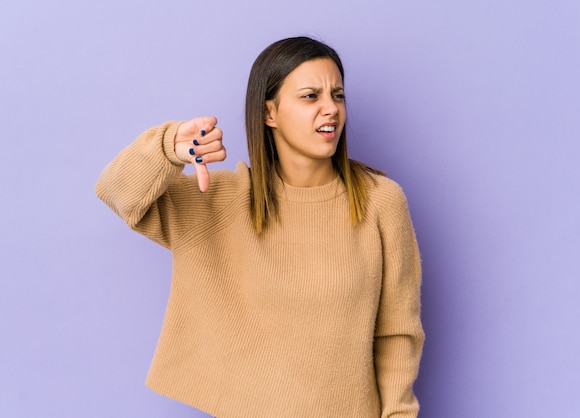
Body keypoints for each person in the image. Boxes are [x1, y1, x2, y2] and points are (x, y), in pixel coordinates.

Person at [96, 36, 424, 418]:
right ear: (269, 112)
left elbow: (398, 331)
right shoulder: (221, 200)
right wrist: (169, 146)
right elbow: (116, 191)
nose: (330, 109)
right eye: (309, 96)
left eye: (337, 95)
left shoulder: (381, 201)